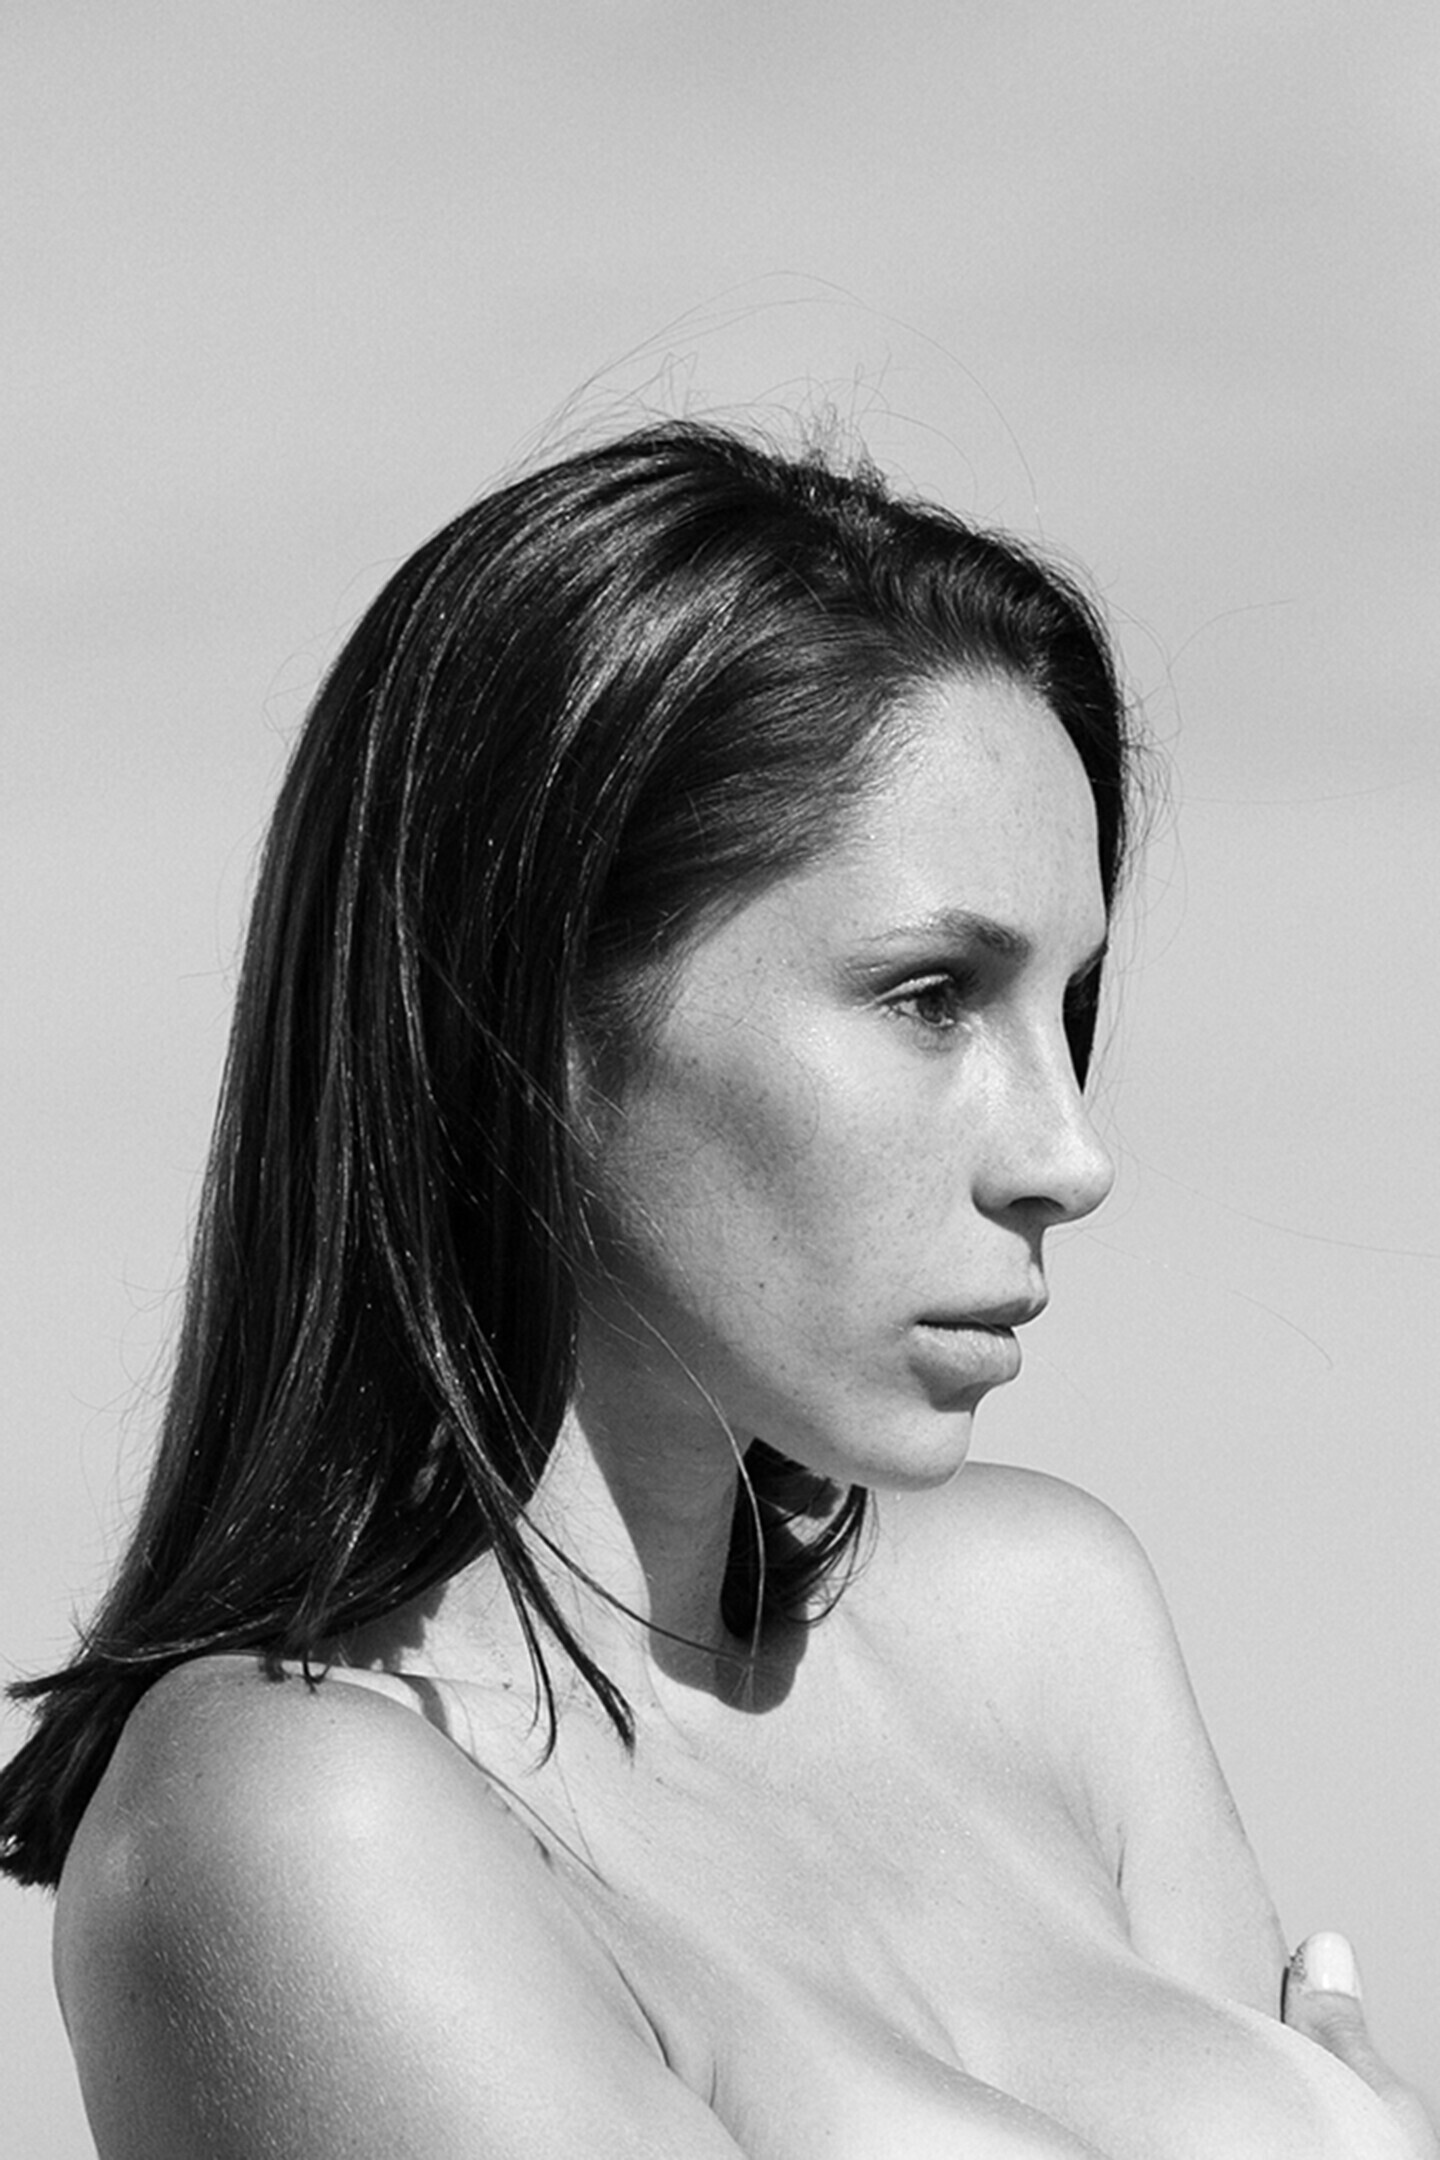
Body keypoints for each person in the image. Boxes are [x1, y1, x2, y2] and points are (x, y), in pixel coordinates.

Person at [0, 422, 1430, 2158]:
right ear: (531, 1006)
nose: (1070, 1154)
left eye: (1067, 1009)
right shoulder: (295, 1821)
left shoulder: (1050, 1626)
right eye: (929, 996)